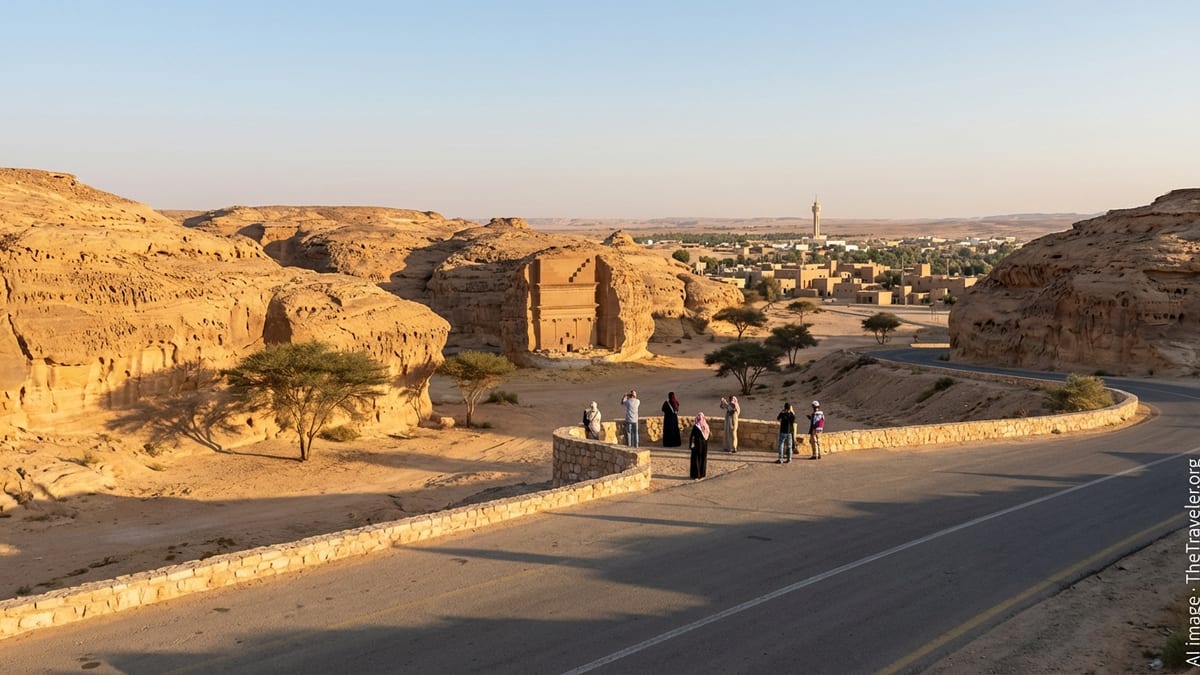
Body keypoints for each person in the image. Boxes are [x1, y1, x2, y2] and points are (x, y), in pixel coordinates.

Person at [689, 412, 710, 479]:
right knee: (703, 459)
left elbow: (692, 436)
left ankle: (696, 474)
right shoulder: (706, 426)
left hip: (696, 445)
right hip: (704, 445)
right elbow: (708, 436)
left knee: (696, 459)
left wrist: (691, 445)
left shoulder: (696, 426)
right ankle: (702, 474)